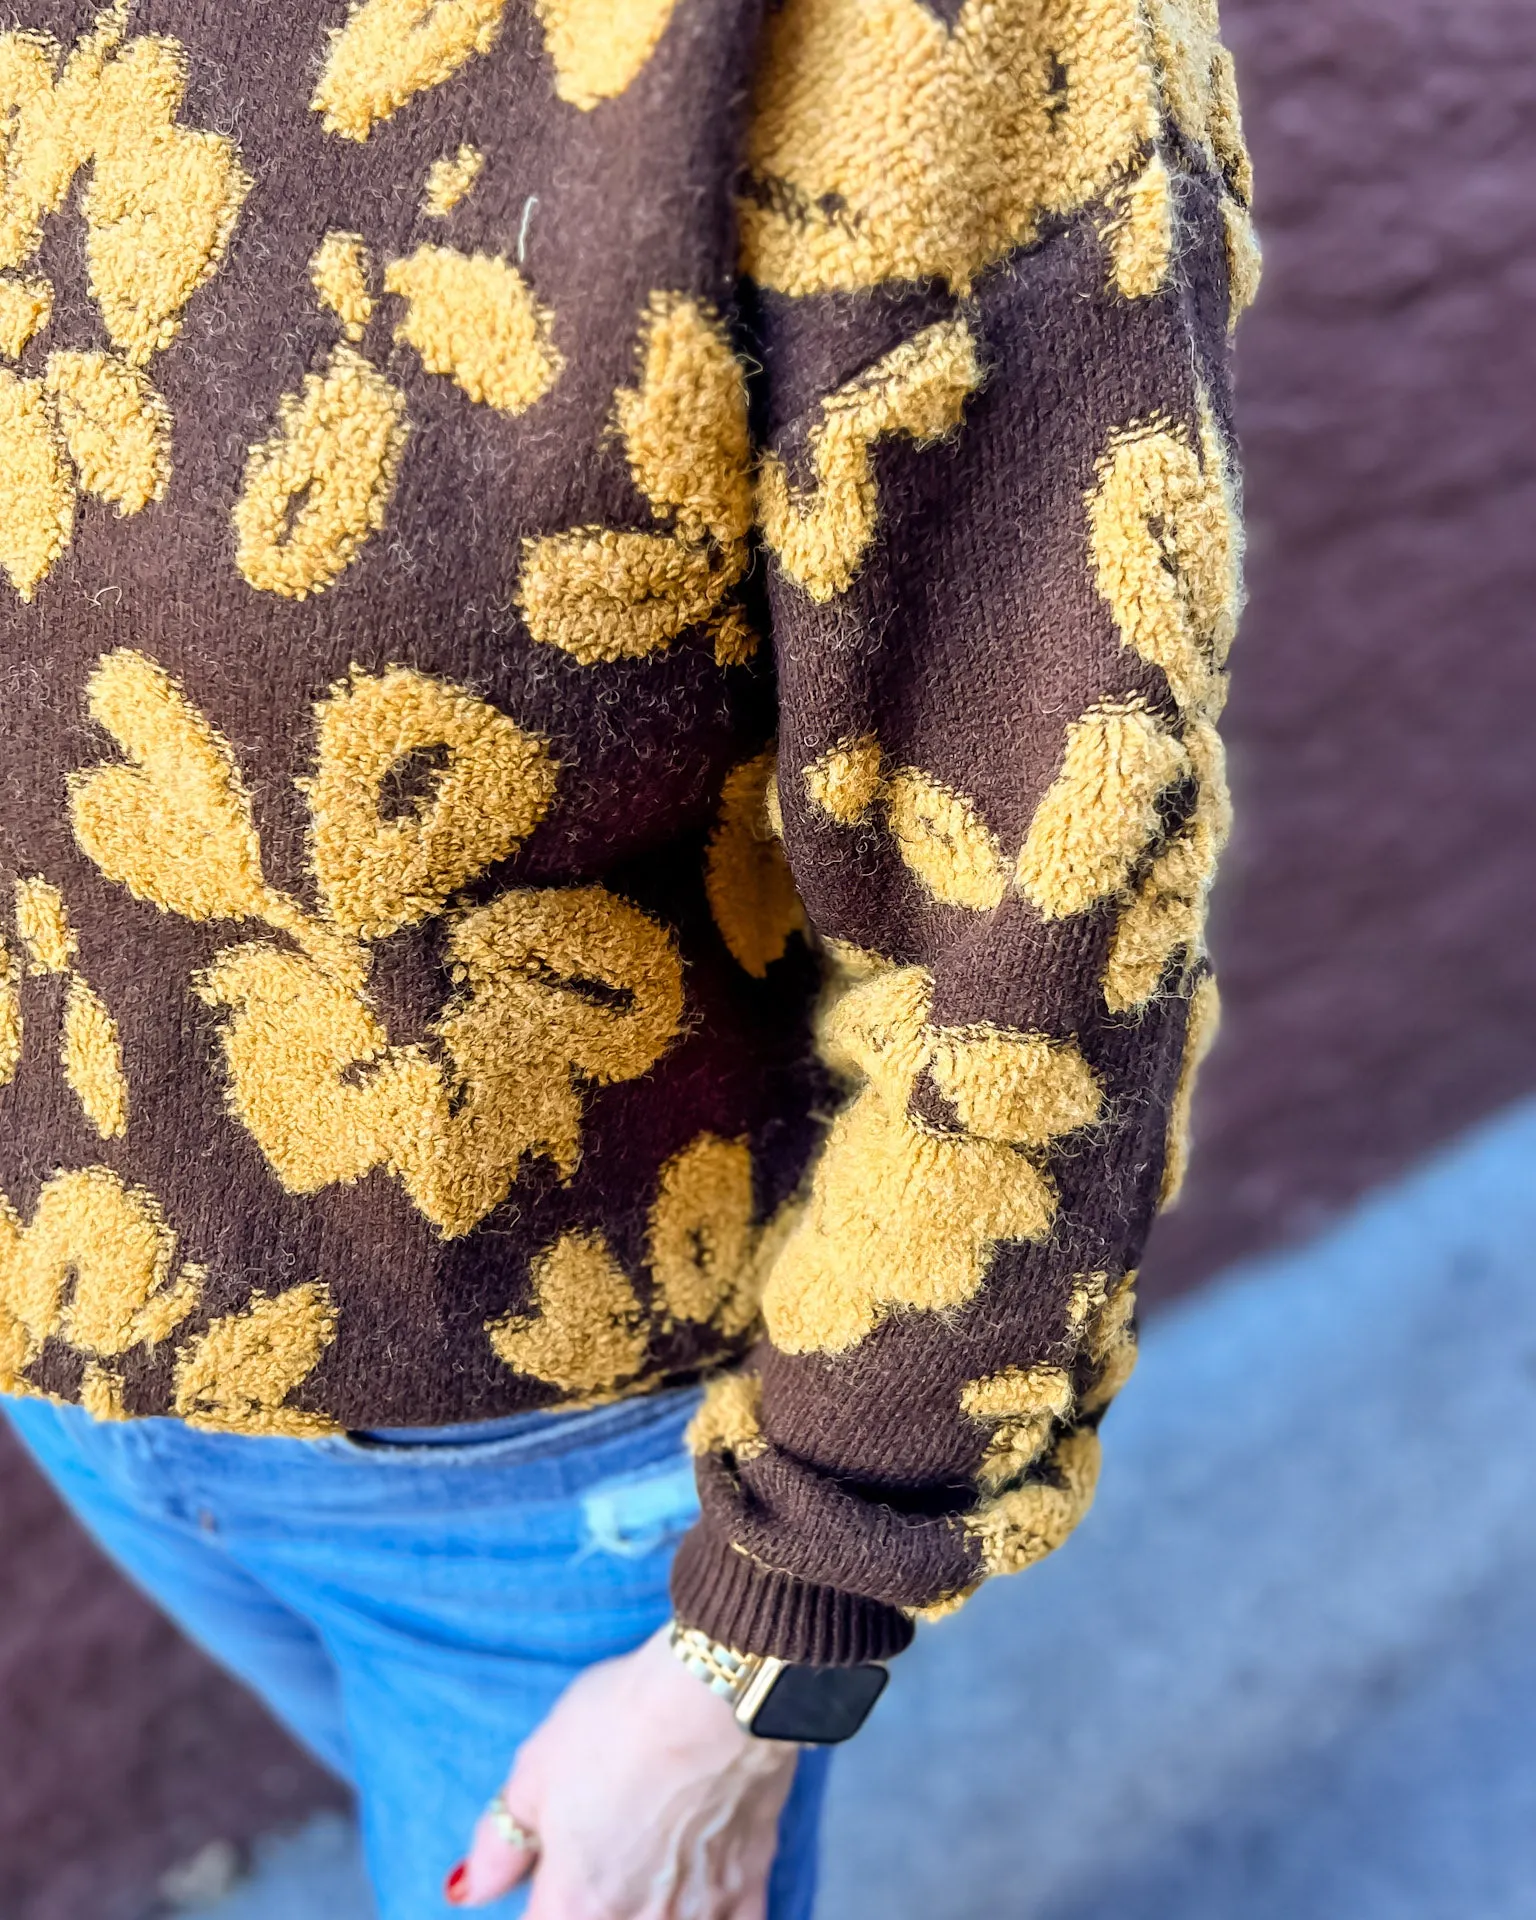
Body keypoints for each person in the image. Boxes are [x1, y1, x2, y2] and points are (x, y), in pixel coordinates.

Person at [0, 0, 1256, 1911]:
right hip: (82, 1360)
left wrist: (765, 1656)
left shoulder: (944, 43)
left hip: (543, 1476)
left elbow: (1050, 918)